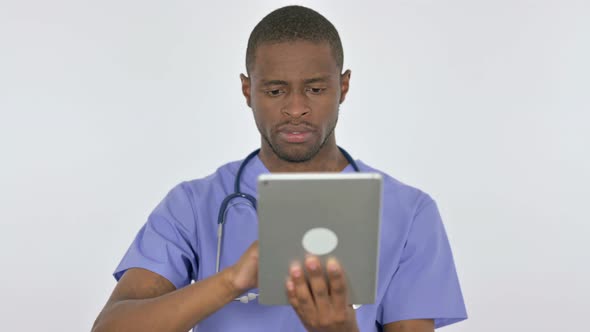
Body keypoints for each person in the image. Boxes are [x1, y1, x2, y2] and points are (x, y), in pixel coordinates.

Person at [92, 5, 467, 332]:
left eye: (316, 89)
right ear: (247, 91)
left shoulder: (409, 212)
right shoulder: (192, 204)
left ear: (344, 86)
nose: (296, 108)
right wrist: (232, 281)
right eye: (275, 91)